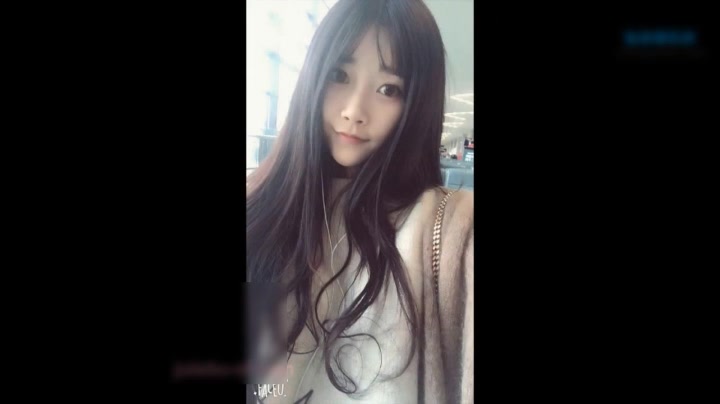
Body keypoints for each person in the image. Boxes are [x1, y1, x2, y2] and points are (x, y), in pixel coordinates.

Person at [246, 1, 473, 402]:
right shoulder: (260, 207)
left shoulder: (447, 226)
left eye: (389, 89)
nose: (354, 111)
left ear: (417, 103)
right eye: (339, 75)